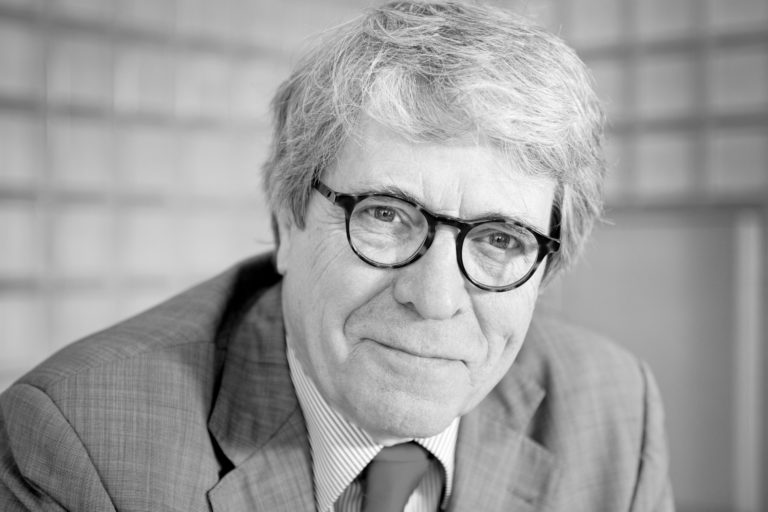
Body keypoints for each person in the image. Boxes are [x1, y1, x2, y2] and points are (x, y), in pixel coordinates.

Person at [0, 1, 674, 511]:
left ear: (545, 272)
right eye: (387, 215)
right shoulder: (80, 442)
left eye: (501, 239)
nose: (435, 298)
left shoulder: (616, 411)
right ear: (287, 220)